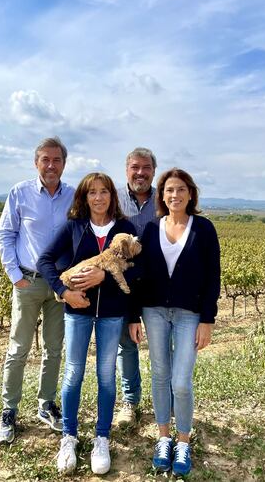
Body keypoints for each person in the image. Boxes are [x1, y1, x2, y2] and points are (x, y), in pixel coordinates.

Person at [37, 172, 139, 475]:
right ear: (84, 197)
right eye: (92, 192)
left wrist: (105, 276)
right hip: (78, 312)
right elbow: (45, 260)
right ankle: (69, 437)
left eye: (104, 191)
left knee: (106, 375)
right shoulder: (74, 226)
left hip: (111, 314)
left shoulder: (125, 229)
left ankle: (101, 438)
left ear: (112, 196)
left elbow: (138, 271)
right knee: (73, 373)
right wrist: (63, 290)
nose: (98, 197)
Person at [129, 168, 220, 477]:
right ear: (162, 195)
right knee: (159, 374)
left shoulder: (204, 229)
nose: (175, 195)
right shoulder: (151, 228)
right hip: (153, 311)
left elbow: (212, 277)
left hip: (188, 314)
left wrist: (207, 319)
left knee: (180, 381)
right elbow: (137, 275)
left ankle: (183, 440)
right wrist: (133, 316)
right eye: (169, 190)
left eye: (181, 189)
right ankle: (164, 437)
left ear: (190, 194)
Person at [0, 137, 75, 445]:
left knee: (54, 348)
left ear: (64, 164)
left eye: (56, 160)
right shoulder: (20, 192)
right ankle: (9, 410)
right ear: (36, 162)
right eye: (45, 159)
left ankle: (46, 404)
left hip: (59, 284)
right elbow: (5, 233)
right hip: (27, 281)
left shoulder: (73, 196)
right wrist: (15, 275)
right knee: (18, 349)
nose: (51, 165)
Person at [114, 147, 157, 426]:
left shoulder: (164, 198)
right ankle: (130, 402)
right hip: (124, 285)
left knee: (165, 345)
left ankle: (168, 401)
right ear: (126, 169)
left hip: (157, 285)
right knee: (126, 346)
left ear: (154, 171)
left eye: (146, 168)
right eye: (134, 167)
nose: (140, 173)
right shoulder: (114, 198)